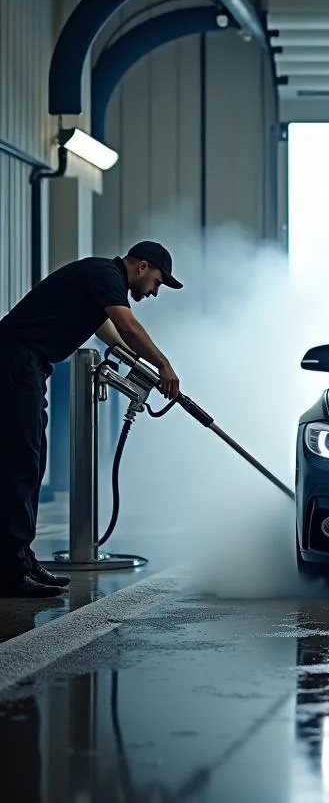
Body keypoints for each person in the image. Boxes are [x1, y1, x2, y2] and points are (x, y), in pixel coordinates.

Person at [0, 242, 182, 599]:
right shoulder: (105, 274)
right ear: (142, 266)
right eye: (158, 282)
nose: (155, 292)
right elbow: (126, 326)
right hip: (15, 361)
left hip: (31, 366)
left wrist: (140, 367)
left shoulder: (101, 279)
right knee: (20, 465)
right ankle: (10, 570)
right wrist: (163, 365)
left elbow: (110, 334)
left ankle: (20, 559)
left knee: (31, 465)